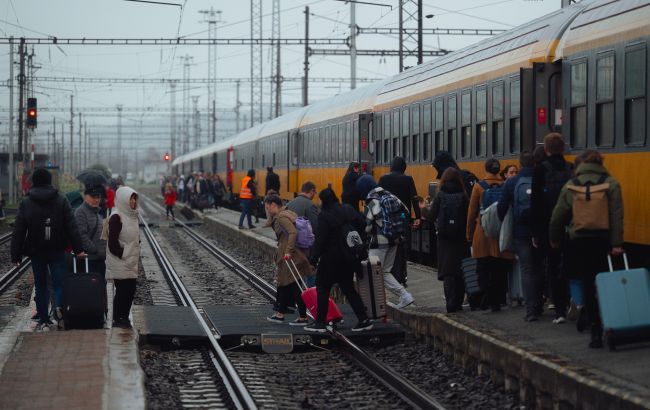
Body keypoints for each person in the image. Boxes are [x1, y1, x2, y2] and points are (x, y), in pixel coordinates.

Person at [549, 150, 623, 348]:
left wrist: (554, 239)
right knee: (604, 282)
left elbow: (558, 215)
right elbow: (616, 215)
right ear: (600, 163)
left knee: (587, 283)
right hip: (603, 240)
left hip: (579, 241)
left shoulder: (572, 184)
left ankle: (595, 330)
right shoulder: (611, 183)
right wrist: (616, 244)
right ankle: (610, 322)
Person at [11, 168, 86, 332]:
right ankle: (58, 306)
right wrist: (78, 249)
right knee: (59, 283)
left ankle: (44, 321)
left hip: (36, 250)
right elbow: (72, 226)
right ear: (49, 181)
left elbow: (19, 230)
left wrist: (16, 255)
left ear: (35, 181)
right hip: (57, 249)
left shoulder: (27, 202)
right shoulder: (61, 199)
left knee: (40, 285)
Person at [303, 188, 372, 333]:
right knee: (349, 289)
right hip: (349, 258)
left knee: (322, 288)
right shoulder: (347, 209)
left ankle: (320, 323)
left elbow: (320, 240)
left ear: (324, 200)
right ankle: (364, 320)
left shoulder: (324, 215)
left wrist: (313, 259)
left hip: (331, 259)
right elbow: (362, 224)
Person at [531, 133, 573, 323]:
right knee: (568, 266)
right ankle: (570, 303)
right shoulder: (571, 168)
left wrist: (535, 232)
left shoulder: (540, 170)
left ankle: (555, 309)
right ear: (563, 148)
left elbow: (535, 203)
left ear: (546, 149)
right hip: (569, 226)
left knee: (550, 267)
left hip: (546, 227)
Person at [356, 174, 415, 309]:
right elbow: (405, 211)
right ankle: (404, 296)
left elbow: (367, 224)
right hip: (394, 239)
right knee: (385, 271)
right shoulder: (389, 194)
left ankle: (375, 307)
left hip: (379, 242)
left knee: (373, 272)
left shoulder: (371, 200)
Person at [497, 151, 540, 321]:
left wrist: (505, 223)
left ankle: (531, 310)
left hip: (521, 232)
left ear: (520, 164)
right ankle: (540, 304)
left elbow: (501, 208)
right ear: (534, 163)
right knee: (539, 268)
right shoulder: (541, 178)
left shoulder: (512, 182)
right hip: (540, 231)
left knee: (526, 270)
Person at [466, 158, 513, 311]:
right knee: (499, 269)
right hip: (501, 232)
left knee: (483, 268)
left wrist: (469, 235)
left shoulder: (479, 186)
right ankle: (498, 300)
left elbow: (471, 213)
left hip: (483, 232)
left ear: (485, 169)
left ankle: (486, 297)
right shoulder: (506, 185)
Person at [428, 168, 470, 312]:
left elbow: (431, 217)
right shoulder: (464, 196)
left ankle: (450, 303)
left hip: (444, 239)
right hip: (461, 239)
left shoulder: (440, 195)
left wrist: (423, 210)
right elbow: (468, 217)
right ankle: (458, 302)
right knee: (460, 271)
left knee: (448, 272)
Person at [264, 194, 309, 325]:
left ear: (273, 205)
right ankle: (280, 313)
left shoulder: (281, 217)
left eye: (268, 207)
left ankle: (302, 317)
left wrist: (288, 251)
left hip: (288, 256)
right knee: (285, 284)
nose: (267, 210)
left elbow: (293, 232)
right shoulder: (287, 213)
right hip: (289, 255)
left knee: (294, 286)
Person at [378, 156, 421, 286]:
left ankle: (389, 274)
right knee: (402, 246)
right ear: (404, 168)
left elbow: (378, 198)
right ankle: (402, 276)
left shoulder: (383, 179)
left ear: (391, 166)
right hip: (402, 217)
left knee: (388, 245)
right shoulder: (408, 179)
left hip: (387, 217)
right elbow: (414, 199)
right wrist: (418, 217)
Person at [106, 186, 140, 329]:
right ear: (123, 200)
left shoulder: (132, 215)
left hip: (130, 260)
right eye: (131, 199)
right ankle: (117, 319)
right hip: (121, 261)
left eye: (134, 199)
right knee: (122, 291)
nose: (133, 202)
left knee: (130, 291)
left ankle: (124, 317)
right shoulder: (116, 217)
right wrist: (124, 253)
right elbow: (112, 243)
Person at [286, 181, 320, 287]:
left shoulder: (289, 204)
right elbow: (315, 226)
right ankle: (309, 293)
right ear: (312, 191)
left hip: (291, 245)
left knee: (296, 273)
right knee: (310, 272)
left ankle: (297, 293)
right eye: (314, 192)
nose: (314, 195)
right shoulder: (310, 205)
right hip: (306, 248)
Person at [75, 185, 107, 276]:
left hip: (99, 258)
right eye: (93, 197)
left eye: (98, 197)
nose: (96, 200)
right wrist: (96, 250)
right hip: (89, 260)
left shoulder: (96, 212)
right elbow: (82, 235)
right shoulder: (80, 212)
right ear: (86, 197)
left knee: (100, 283)